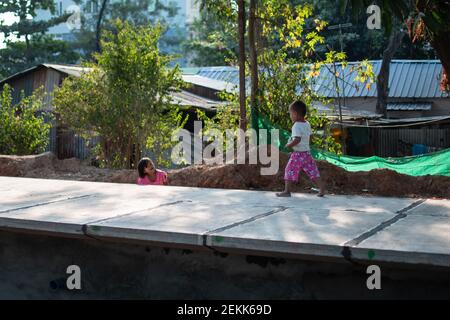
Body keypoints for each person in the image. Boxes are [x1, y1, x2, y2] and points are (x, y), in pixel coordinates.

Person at [276, 100, 325, 197]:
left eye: (290, 113)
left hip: (298, 154)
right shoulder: (307, 123)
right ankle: (322, 189)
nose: (290, 116)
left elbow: (297, 139)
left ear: (295, 113)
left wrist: (289, 145)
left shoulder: (296, 125)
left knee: (289, 169)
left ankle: (287, 191)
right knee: (313, 171)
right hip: (306, 153)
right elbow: (310, 137)